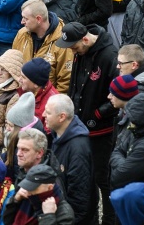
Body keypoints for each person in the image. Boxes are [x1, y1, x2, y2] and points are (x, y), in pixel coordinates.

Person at [58, 21, 117, 224]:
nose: (73, 51)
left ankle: (110, 219)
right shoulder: (80, 53)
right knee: (87, 178)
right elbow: (75, 85)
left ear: (85, 39)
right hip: (81, 126)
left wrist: (98, 115)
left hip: (101, 130)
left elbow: (117, 94)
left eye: (74, 47)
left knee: (103, 178)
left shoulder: (109, 56)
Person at [44, 94, 96, 225]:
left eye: (48, 112)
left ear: (62, 117)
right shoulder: (56, 135)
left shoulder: (78, 149)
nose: (43, 115)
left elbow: (80, 194)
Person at [13, 0, 73, 93]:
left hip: (47, 102)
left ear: (38, 19)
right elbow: (14, 65)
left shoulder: (62, 42)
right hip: (22, 97)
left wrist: (52, 103)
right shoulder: (22, 34)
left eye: (26, 18)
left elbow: (65, 81)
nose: (22, 22)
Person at [110, 92, 144, 190]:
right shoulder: (138, 128)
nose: (130, 121)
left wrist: (119, 163)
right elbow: (117, 150)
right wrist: (124, 162)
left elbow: (118, 176)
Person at [2, 164, 75, 224]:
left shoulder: (65, 213)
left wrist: (48, 216)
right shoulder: (26, 198)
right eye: (27, 185)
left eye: (33, 187)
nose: (28, 190)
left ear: (49, 187)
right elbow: (7, 221)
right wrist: (15, 200)